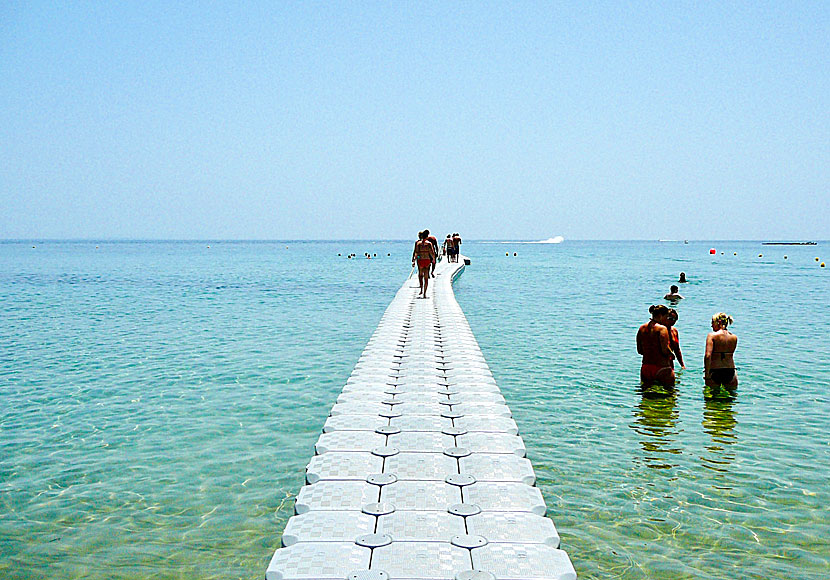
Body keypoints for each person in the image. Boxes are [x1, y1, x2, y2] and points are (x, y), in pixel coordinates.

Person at [637, 305, 675, 387]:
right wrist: (671, 354)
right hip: (662, 367)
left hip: (646, 367)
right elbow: (664, 350)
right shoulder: (662, 329)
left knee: (646, 396)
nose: (667, 320)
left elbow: (639, 351)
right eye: (666, 317)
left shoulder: (641, 328)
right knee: (670, 395)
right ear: (661, 316)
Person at [704, 312, 738, 389]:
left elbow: (708, 356)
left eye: (713, 322)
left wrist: (707, 375)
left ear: (719, 322)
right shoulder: (734, 337)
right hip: (730, 371)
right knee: (730, 399)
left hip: (715, 371)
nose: (711, 325)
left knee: (711, 399)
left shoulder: (712, 336)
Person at [411, 230, 435, 298]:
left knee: (420, 275)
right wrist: (433, 259)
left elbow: (416, 252)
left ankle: (421, 289)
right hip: (427, 260)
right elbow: (432, 252)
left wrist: (413, 260)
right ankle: (424, 293)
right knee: (426, 277)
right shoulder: (429, 243)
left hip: (420, 260)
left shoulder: (418, 244)